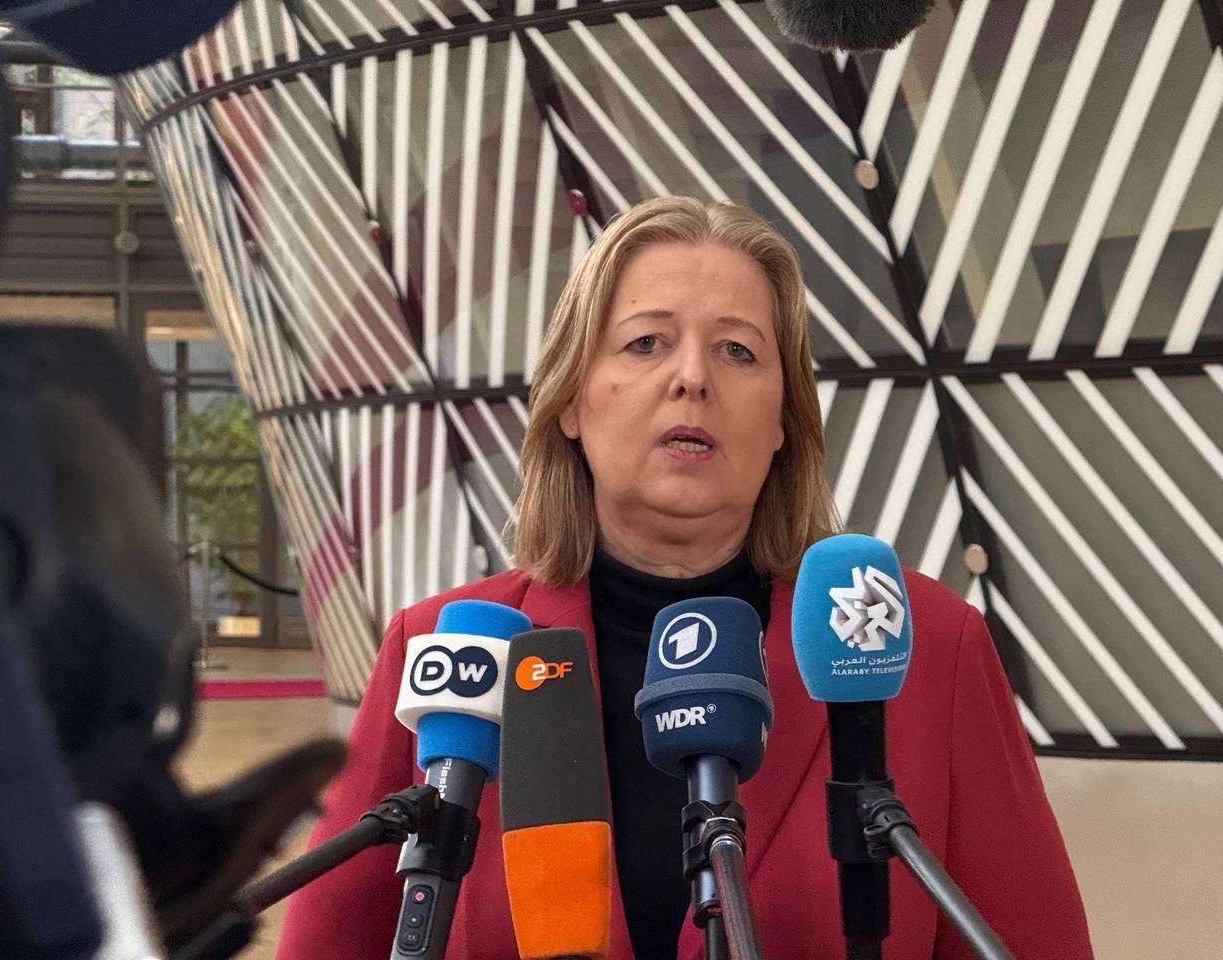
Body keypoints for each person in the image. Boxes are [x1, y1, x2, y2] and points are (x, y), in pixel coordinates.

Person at [277, 196, 1093, 960]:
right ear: (572, 401)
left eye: (739, 350)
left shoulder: (927, 643)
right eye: (646, 342)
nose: (693, 377)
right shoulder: (440, 647)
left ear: (784, 420)